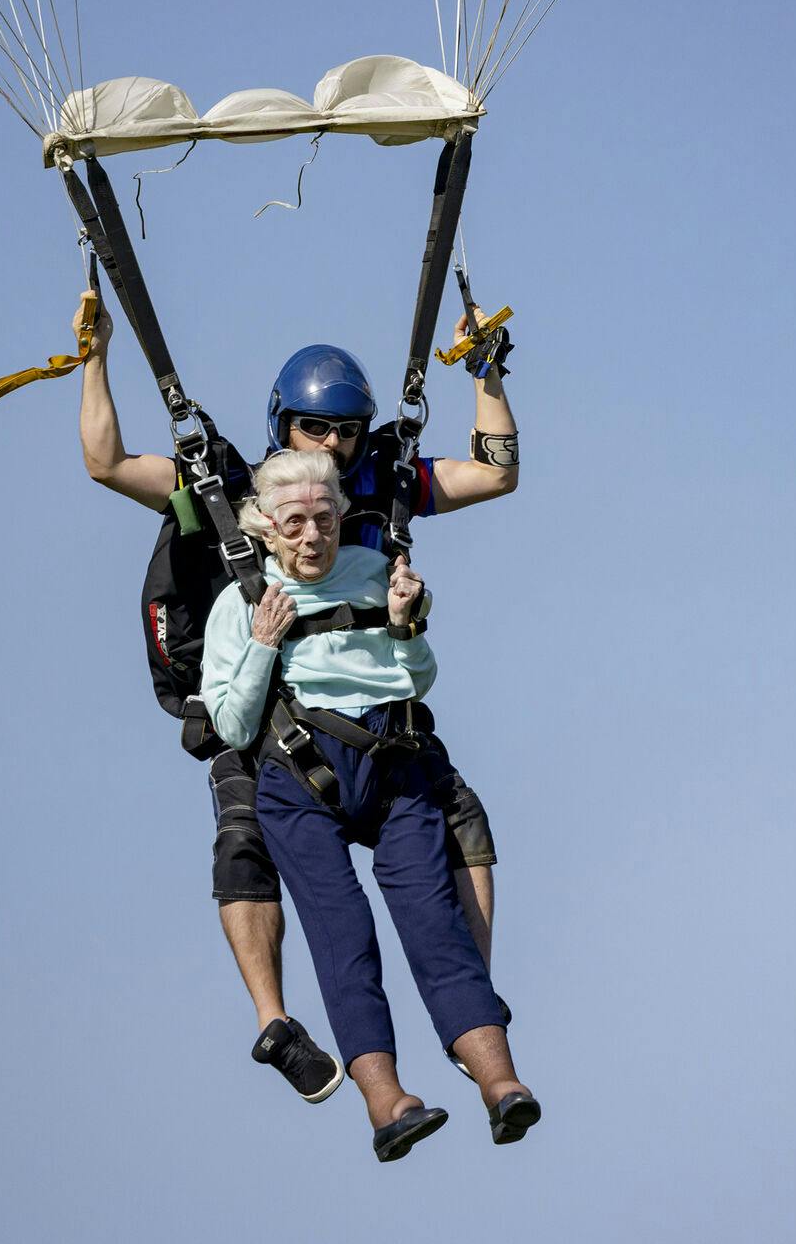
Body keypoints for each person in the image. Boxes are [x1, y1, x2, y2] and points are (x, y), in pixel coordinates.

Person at [76, 294, 521, 1101]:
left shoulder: (380, 488)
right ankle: (274, 1021)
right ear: (284, 425)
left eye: (348, 429)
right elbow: (108, 463)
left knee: (461, 816)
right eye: (317, 429)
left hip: (372, 710)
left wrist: (487, 374)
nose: (335, 444)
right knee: (244, 838)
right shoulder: (236, 492)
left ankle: (468, 1004)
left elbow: (494, 471)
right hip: (264, 709)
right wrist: (96, 360)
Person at [200, 449, 539, 1160]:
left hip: (392, 768)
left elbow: (417, 677)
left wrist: (405, 624)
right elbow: (230, 728)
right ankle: (388, 1104)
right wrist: (263, 644)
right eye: (295, 523)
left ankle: (501, 1084)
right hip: (300, 781)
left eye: (324, 519)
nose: (312, 536)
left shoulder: (375, 573)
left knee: (435, 922)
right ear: (264, 527)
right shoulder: (238, 603)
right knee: (343, 933)